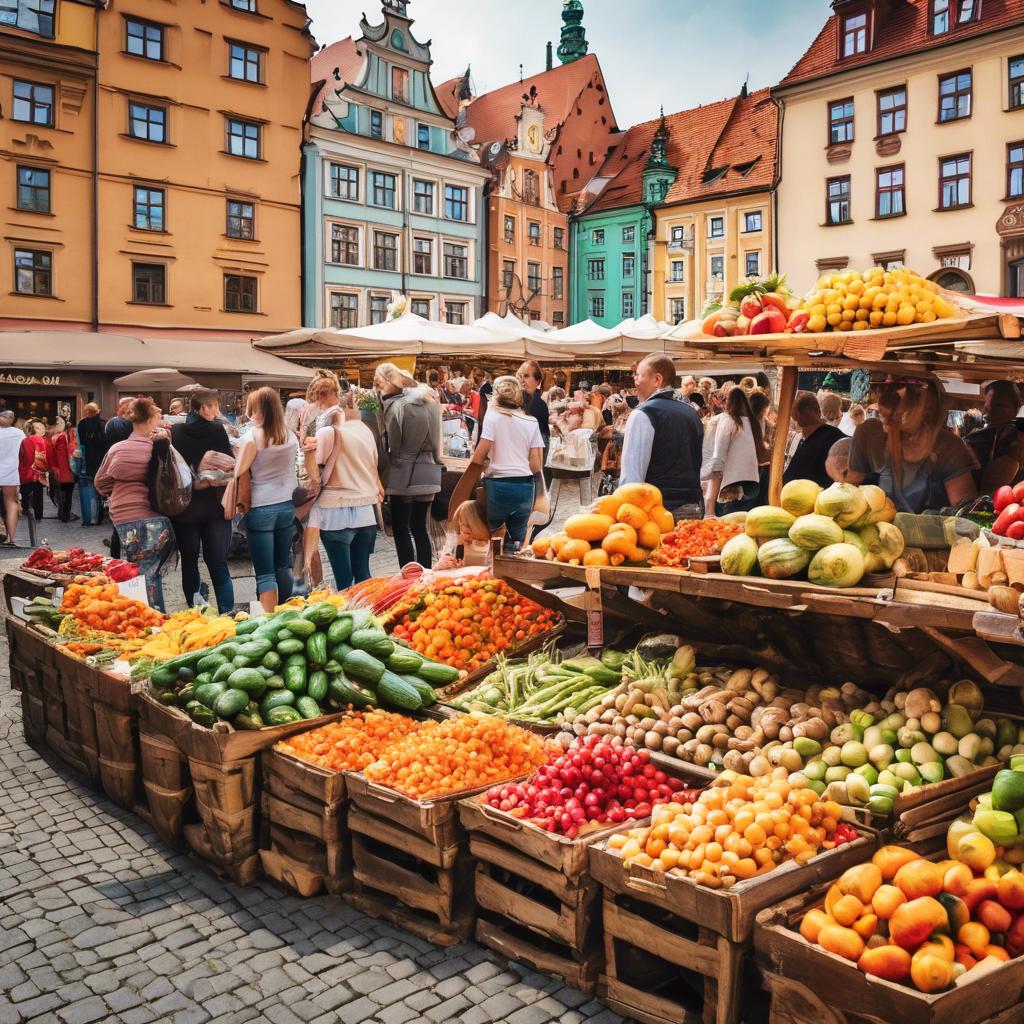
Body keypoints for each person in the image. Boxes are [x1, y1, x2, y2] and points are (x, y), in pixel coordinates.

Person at [848, 378, 978, 512]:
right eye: (885, 392)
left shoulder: (950, 448)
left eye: (899, 394)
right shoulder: (869, 434)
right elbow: (851, 491)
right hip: (879, 528)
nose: (885, 402)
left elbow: (964, 512)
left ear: (926, 403)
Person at [94, 397, 175, 610]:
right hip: (154, 515)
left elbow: (100, 482)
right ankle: (153, 616)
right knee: (149, 571)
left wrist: (119, 485)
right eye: (158, 416)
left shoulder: (118, 449)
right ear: (150, 420)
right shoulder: (161, 449)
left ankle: (138, 613)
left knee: (135, 568)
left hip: (123, 516)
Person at [305, 392, 383, 590]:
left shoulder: (327, 433)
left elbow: (316, 469)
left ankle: (349, 614)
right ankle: (368, 614)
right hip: (365, 509)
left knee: (344, 581)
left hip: (335, 511)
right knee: (363, 574)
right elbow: (374, 464)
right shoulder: (365, 430)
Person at [234, 388, 298, 612]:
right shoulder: (289, 435)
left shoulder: (251, 437)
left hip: (261, 506)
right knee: (283, 565)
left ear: (257, 410)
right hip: (286, 504)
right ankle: (288, 611)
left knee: (265, 572)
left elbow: (238, 469)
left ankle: (267, 619)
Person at [171, 389, 235, 613]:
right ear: (203, 408)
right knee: (219, 565)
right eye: (214, 405)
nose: (216, 410)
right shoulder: (218, 430)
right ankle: (227, 613)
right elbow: (228, 464)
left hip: (185, 508)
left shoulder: (176, 431)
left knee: (189, 562)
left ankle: (195, 612)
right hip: (214, 507)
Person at [620, 353, 703, 517]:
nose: (635, 381)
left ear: (657, 380)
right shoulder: (691, 413)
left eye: (638, 376)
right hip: (692, 507)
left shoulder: (644, 413)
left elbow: (632, 478)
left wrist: (626, 515)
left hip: (654, 512)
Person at [378, 362, 442, 568]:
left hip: (402, 474)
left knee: (401, 527)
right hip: (428, 469)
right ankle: (425, 573)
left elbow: (394, 445)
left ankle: (408, 575)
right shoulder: (428, 402)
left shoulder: (397, 407)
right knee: (420, 528)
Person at [471, 376, 544, 551]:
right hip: (525, 487)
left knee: (493, 539)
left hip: (498, 486)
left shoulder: (493, 417)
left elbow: (479, 456)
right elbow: (536, 465)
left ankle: (494, 575)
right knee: (518, 542)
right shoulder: (531, 421)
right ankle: (512, 573)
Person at [705, 387, 766, 515]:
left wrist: (710, 500)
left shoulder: (728, 421)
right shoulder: (754, 423)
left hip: (731, 486)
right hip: (753, 485)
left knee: (727, 527)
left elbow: (719, 456)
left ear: (728, 402)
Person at [964, 380, 1024, 493]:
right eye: (989, 405)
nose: (993, 410)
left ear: (1016, 408)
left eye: (1001, 406)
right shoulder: (974, 437)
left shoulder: (1017, 437)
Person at [783, 393, 847, 489]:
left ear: (798, 417)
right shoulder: (838, 435)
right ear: (818, 412)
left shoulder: (808, 448)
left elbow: (787, 482)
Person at [104, 397, 134, 556]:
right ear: (124, 408)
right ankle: (118, 555)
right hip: (120, 477)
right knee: (120, 518)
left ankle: (117, 554)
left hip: (119, 476)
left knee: (120, 518)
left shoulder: (120, 423)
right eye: (131, 406)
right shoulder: (117, 423)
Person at [436, 499, 493, 569]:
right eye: (463, 531)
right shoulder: (456, 540)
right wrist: (440, 565)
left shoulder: (489, 544)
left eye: (469, 533)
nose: (465, 536)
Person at [76, 403, 106, 526]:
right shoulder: (103, 423)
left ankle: (89, 518)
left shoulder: (82, 424)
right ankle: (97, 517)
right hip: (99, 460)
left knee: (88, 491)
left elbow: (80, 443)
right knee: (97, 491)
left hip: (86, 461)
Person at [47, 415, 77, 522]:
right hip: (66, 471)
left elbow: (50, 455)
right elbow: (65, 456)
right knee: (67, 495)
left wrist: (53, 468)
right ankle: (65, 515)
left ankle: (62, 513)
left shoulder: (53, 437)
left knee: (60, 493)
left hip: (57, 470)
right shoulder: (63, 437)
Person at [0, 411, 24, 545]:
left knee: (10, 504)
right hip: (11, 471)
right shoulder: (19, 433)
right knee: (11, 503)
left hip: (11, 472)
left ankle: (8, 536)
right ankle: (11, 538)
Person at [19, 419, 48, 522]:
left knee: (27, 493)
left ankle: (27, 511)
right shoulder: (39, 440)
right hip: (36, 472)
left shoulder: (26, 440)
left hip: (27, 471)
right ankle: (38, 515)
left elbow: (23, 457)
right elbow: (41, 458)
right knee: (38, 494)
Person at [516, 361, 550, 448]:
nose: (522, 380)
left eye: (526, 376)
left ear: (537, 381)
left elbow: (544, 443)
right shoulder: (510, 403)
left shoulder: (541, 407)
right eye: (519, 376)